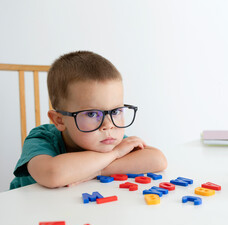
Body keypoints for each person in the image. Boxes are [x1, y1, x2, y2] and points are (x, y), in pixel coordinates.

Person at [10, 51, 167, 189]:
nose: (109, 125)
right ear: (59, 120)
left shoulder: (108, 139)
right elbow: (52, 174)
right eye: (92, 114)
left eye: (117, 111)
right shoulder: (42, 138)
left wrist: (98, 170)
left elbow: (157, 160)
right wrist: (115, 155)